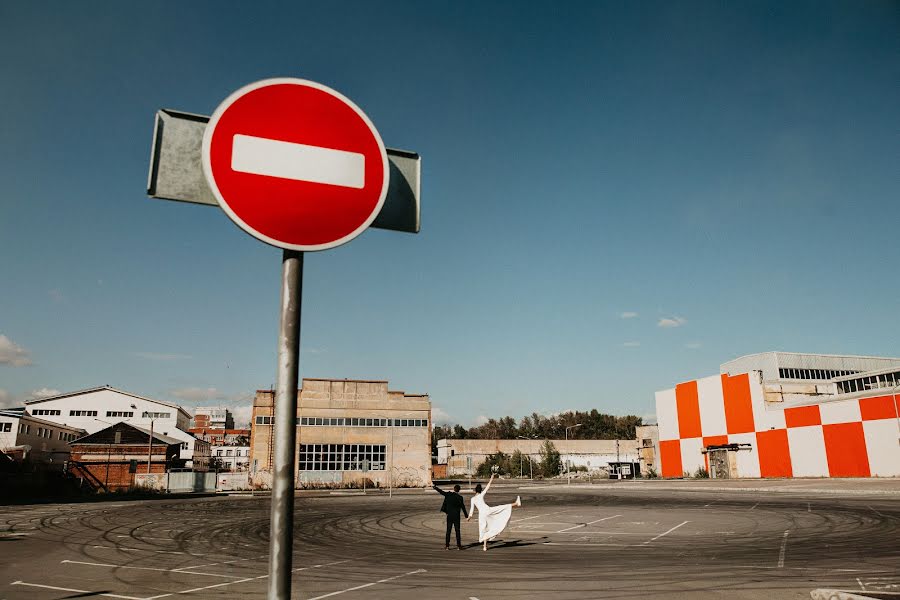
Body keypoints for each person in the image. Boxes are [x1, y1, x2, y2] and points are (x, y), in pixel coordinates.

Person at [466, 473, 522, 551]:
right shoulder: (481, 495)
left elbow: (471, 510)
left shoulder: (473, 499)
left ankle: (485, 546)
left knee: (484, 529)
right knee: (501, 508)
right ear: (480, 490)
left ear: (475, 490)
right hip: (488, 510)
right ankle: (516, 503)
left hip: (482, 515)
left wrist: (469, 517)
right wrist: (492, 477)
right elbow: (488, 486)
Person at [433, 482, 469, 550]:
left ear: (454, 489)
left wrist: (435, 487)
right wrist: (466, 516)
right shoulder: (460, 498)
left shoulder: (449, 495)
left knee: (448, 531)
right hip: (456, 516)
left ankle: (447, 546)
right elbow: (463, 507)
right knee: (457, 531)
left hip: (449, 516)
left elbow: (441, 492)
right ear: (459, 490)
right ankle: (459, 546)